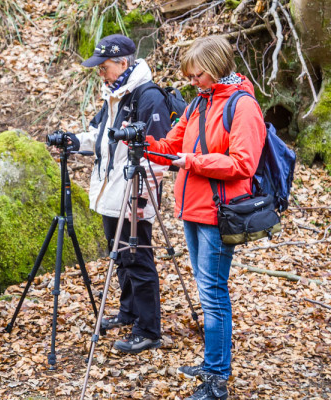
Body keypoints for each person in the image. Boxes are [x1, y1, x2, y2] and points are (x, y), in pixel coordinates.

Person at [145, 36, 266, 399]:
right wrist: (140, 143)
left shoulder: (243, 107)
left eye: (198, 75)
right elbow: (171, 146)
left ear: (215, 70)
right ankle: (212, 363)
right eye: (191, 76)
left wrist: (193, 162)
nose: (192, 81)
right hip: (192, 209)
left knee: (213, 293)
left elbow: (243, 164)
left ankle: (216, 377)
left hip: (218, 213)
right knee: (206, 288)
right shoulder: (200, 102)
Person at [70, 34, 171, 354]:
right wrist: (74, 142)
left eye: (105, 66)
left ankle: (148, 329)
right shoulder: (114, 94)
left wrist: (140, 200)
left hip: (133, 194)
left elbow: (159, 155)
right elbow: (103, 139)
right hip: (110, 191)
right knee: (124, 262)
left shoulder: (147, 97)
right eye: (98, 66)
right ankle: (129, 312)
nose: (100, 72)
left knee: (138, 260)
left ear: (124, 63)